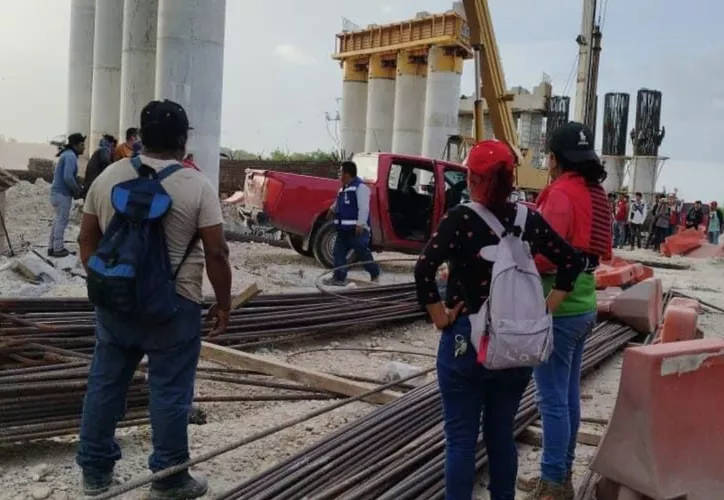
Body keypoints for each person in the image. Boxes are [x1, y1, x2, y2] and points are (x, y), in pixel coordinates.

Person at [76, 100, 232, 499]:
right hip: (174, 305)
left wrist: (107, 281)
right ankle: (169, 477)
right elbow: (217, 253)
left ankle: (95, 472)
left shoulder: (107, 178)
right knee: (170, 390)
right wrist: (224, 304)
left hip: (116, 303)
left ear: (141, 137)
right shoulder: (196, 185)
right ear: (182, 139)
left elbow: (85, 241)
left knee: (105, 385)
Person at [414, 140, 585, 500]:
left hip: (467, 343)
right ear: (512, 178)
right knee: (500, 434)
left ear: (472, 178)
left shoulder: (460, 219)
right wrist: (544, 309)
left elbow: (424, 268)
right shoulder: (529, 219)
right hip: (515, 345)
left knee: (460, 440)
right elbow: (573, 261)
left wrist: (439, 316)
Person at [528, 122, 612, 500]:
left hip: (557, 307)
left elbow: (547, 255)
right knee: (567, 396)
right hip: (584, 304)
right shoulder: (595, 193)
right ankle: (560, 475)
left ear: (555, 158)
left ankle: (552, 484)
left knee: (551, 399)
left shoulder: (561, 194)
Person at [323, 161, 381, 286]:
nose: (339, 175)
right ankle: (339, 278)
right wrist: (332, 209)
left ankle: (375, 273)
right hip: (343, 229)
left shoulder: (361, 187)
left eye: (341, 172)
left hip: (357, 230)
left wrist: (360, 224)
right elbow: (340, 202)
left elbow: (364, 207)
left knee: (362, 252)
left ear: (347, 174)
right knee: (338, 253)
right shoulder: (343, 188)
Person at [49, 132, 85, 257]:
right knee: (62, 220)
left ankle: (51, 247)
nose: (84, 147)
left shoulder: (67, 154)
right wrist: (78, 191)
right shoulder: (70, 156)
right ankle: (58, 248)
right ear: (75, 145)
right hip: (62, 194)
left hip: (57, 193)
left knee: (58, 220)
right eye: (81, 145)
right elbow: (68, 177)